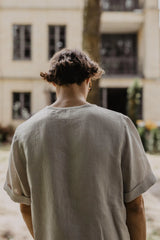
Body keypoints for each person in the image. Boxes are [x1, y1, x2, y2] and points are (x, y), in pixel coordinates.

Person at [3, 48, 157, 240]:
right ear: (88, 80)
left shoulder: (24, 133)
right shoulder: (120, 125)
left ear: (52, 82)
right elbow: (135, 206)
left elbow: (26, 207)